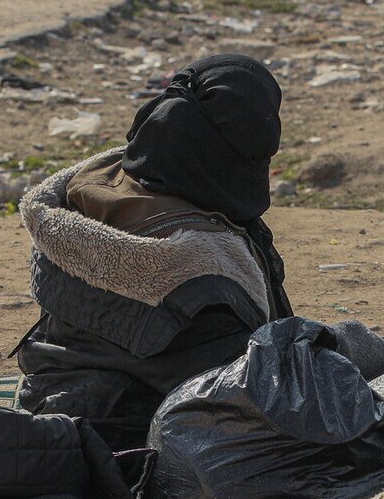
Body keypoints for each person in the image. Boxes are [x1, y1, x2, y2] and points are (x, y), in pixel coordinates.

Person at [15, 53, 294, 451]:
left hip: (56, 392)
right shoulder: (199, 271)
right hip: (133, 442)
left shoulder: (107, 179)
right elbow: (245, 397)